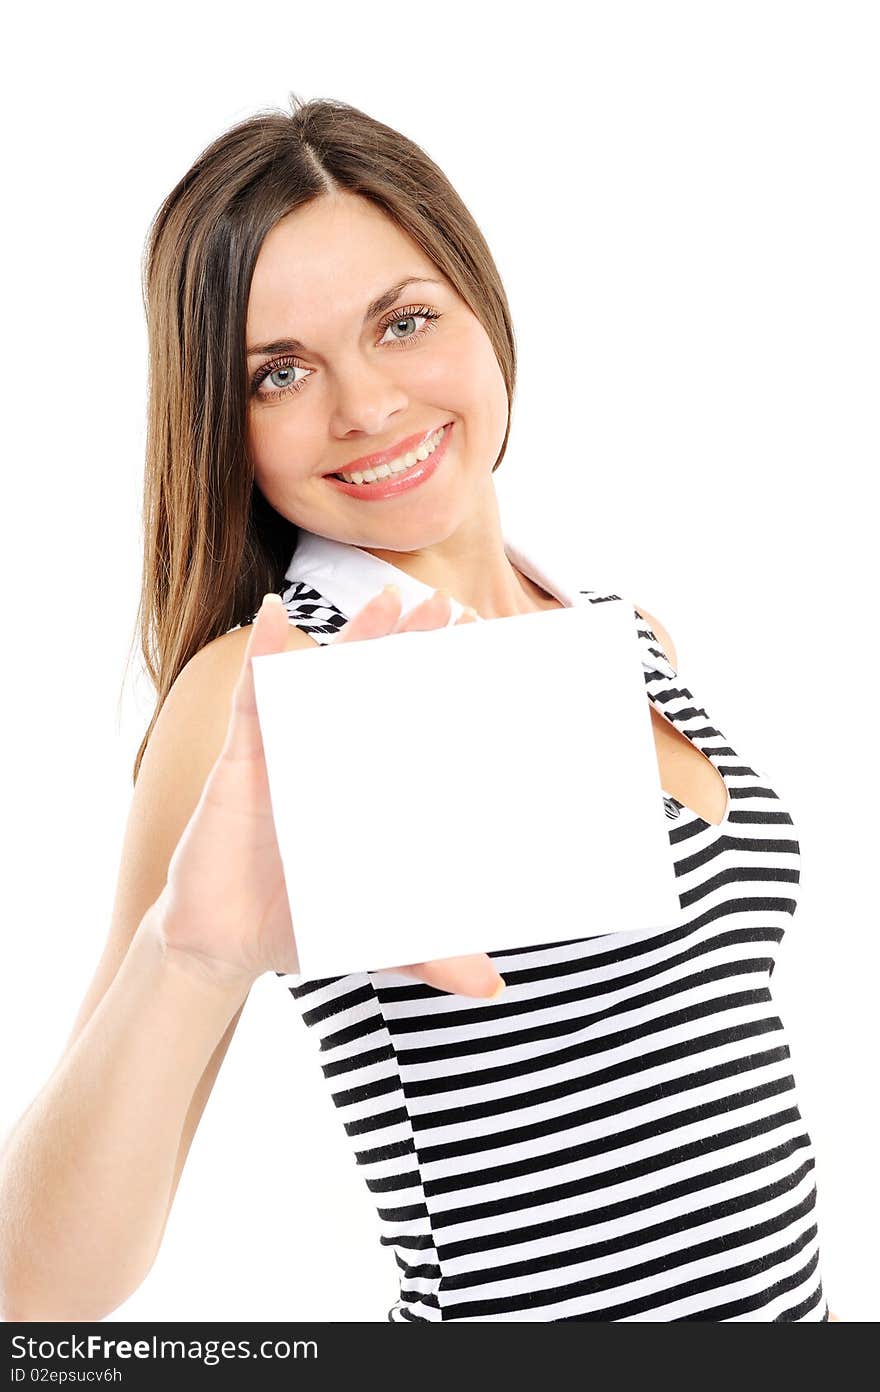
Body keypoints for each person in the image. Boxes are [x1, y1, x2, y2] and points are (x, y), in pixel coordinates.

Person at [0, 95, 838, 1323]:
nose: (368, 407)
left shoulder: (624, 634)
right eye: (278, 372)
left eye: (402, 322)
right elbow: (36, 1292)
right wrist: (195, 959)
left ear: (482, 309)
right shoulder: (264, 690)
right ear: (221, 424)